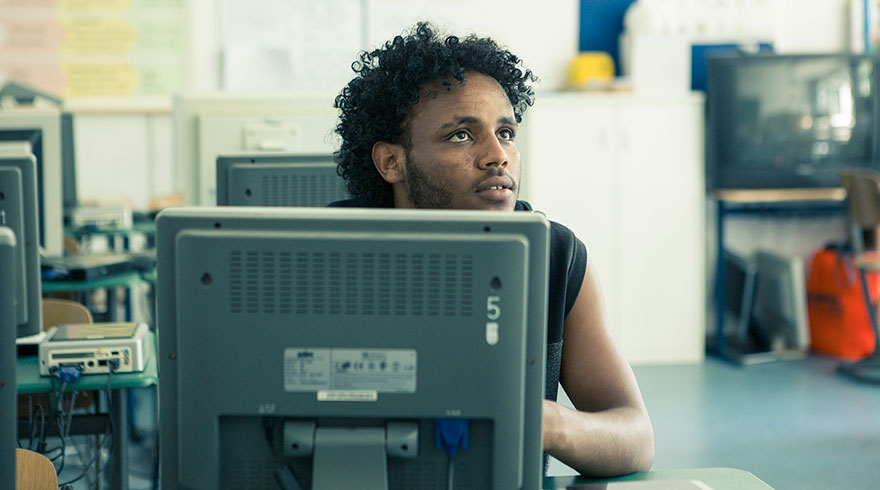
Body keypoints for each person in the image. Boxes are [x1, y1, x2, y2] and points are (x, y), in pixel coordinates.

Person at [330, 21, 654, 477]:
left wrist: (551, 425)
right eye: (461, 135)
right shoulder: (323, 256)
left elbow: (635, 437)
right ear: (392, 162)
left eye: (506, 133)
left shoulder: (554, 256)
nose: (497, 155)